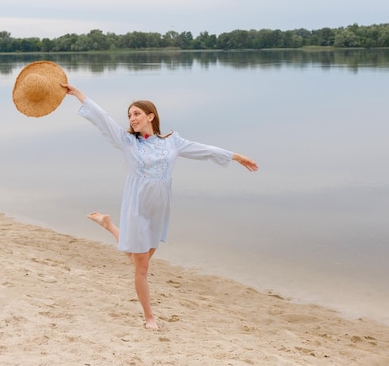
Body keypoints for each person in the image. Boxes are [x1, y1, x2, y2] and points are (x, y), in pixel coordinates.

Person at [61, 84, 258, 329]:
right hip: (137, 205)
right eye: (130, 115)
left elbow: (202, 150)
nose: (132, 119)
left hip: (160, 207)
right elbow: (103, 118)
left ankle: (109, 225)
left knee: (138, 258)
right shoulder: (127, 142)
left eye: (137, 114)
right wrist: (78, 93)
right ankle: (149, 317)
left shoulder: (172, 142)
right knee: (141, 266)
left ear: (150, 116)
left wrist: (236, 157)